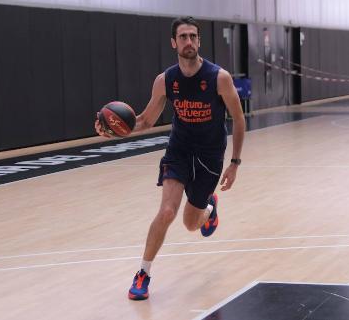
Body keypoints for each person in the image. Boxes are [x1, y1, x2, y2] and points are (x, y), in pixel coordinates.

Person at [95, 16, 245, 301]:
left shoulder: (219, 78)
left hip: (209, 156)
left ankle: (209, 211)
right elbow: (144, 121)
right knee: (167, 212)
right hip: (178, 151)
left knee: (191, 223)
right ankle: (143, 274)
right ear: (174, 42)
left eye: (193, 36)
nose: (189, 41)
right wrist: (113, 131)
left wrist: (235, 163)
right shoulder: (166, 80)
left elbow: (238, 119)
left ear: (199, 41)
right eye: (183, 37)